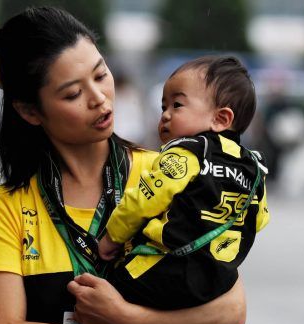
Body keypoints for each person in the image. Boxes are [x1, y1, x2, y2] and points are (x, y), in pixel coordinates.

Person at [0, 7, 246, 324]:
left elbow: (231, 310)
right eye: (73, 93)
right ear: (30, 111)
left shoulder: (172, 175)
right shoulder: (7, 207)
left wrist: (128, 318)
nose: (100, 98)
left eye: (100, 74)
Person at [98, 55, 269, 309]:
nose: (165, 115)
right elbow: (261, 219)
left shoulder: (188, 152)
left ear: (220, 119)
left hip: (164, 268)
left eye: (176, 105)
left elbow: (144, 200)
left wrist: (112, 237)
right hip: (215, 282)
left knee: (98, 297)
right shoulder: (253, 167)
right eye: (162, 107)